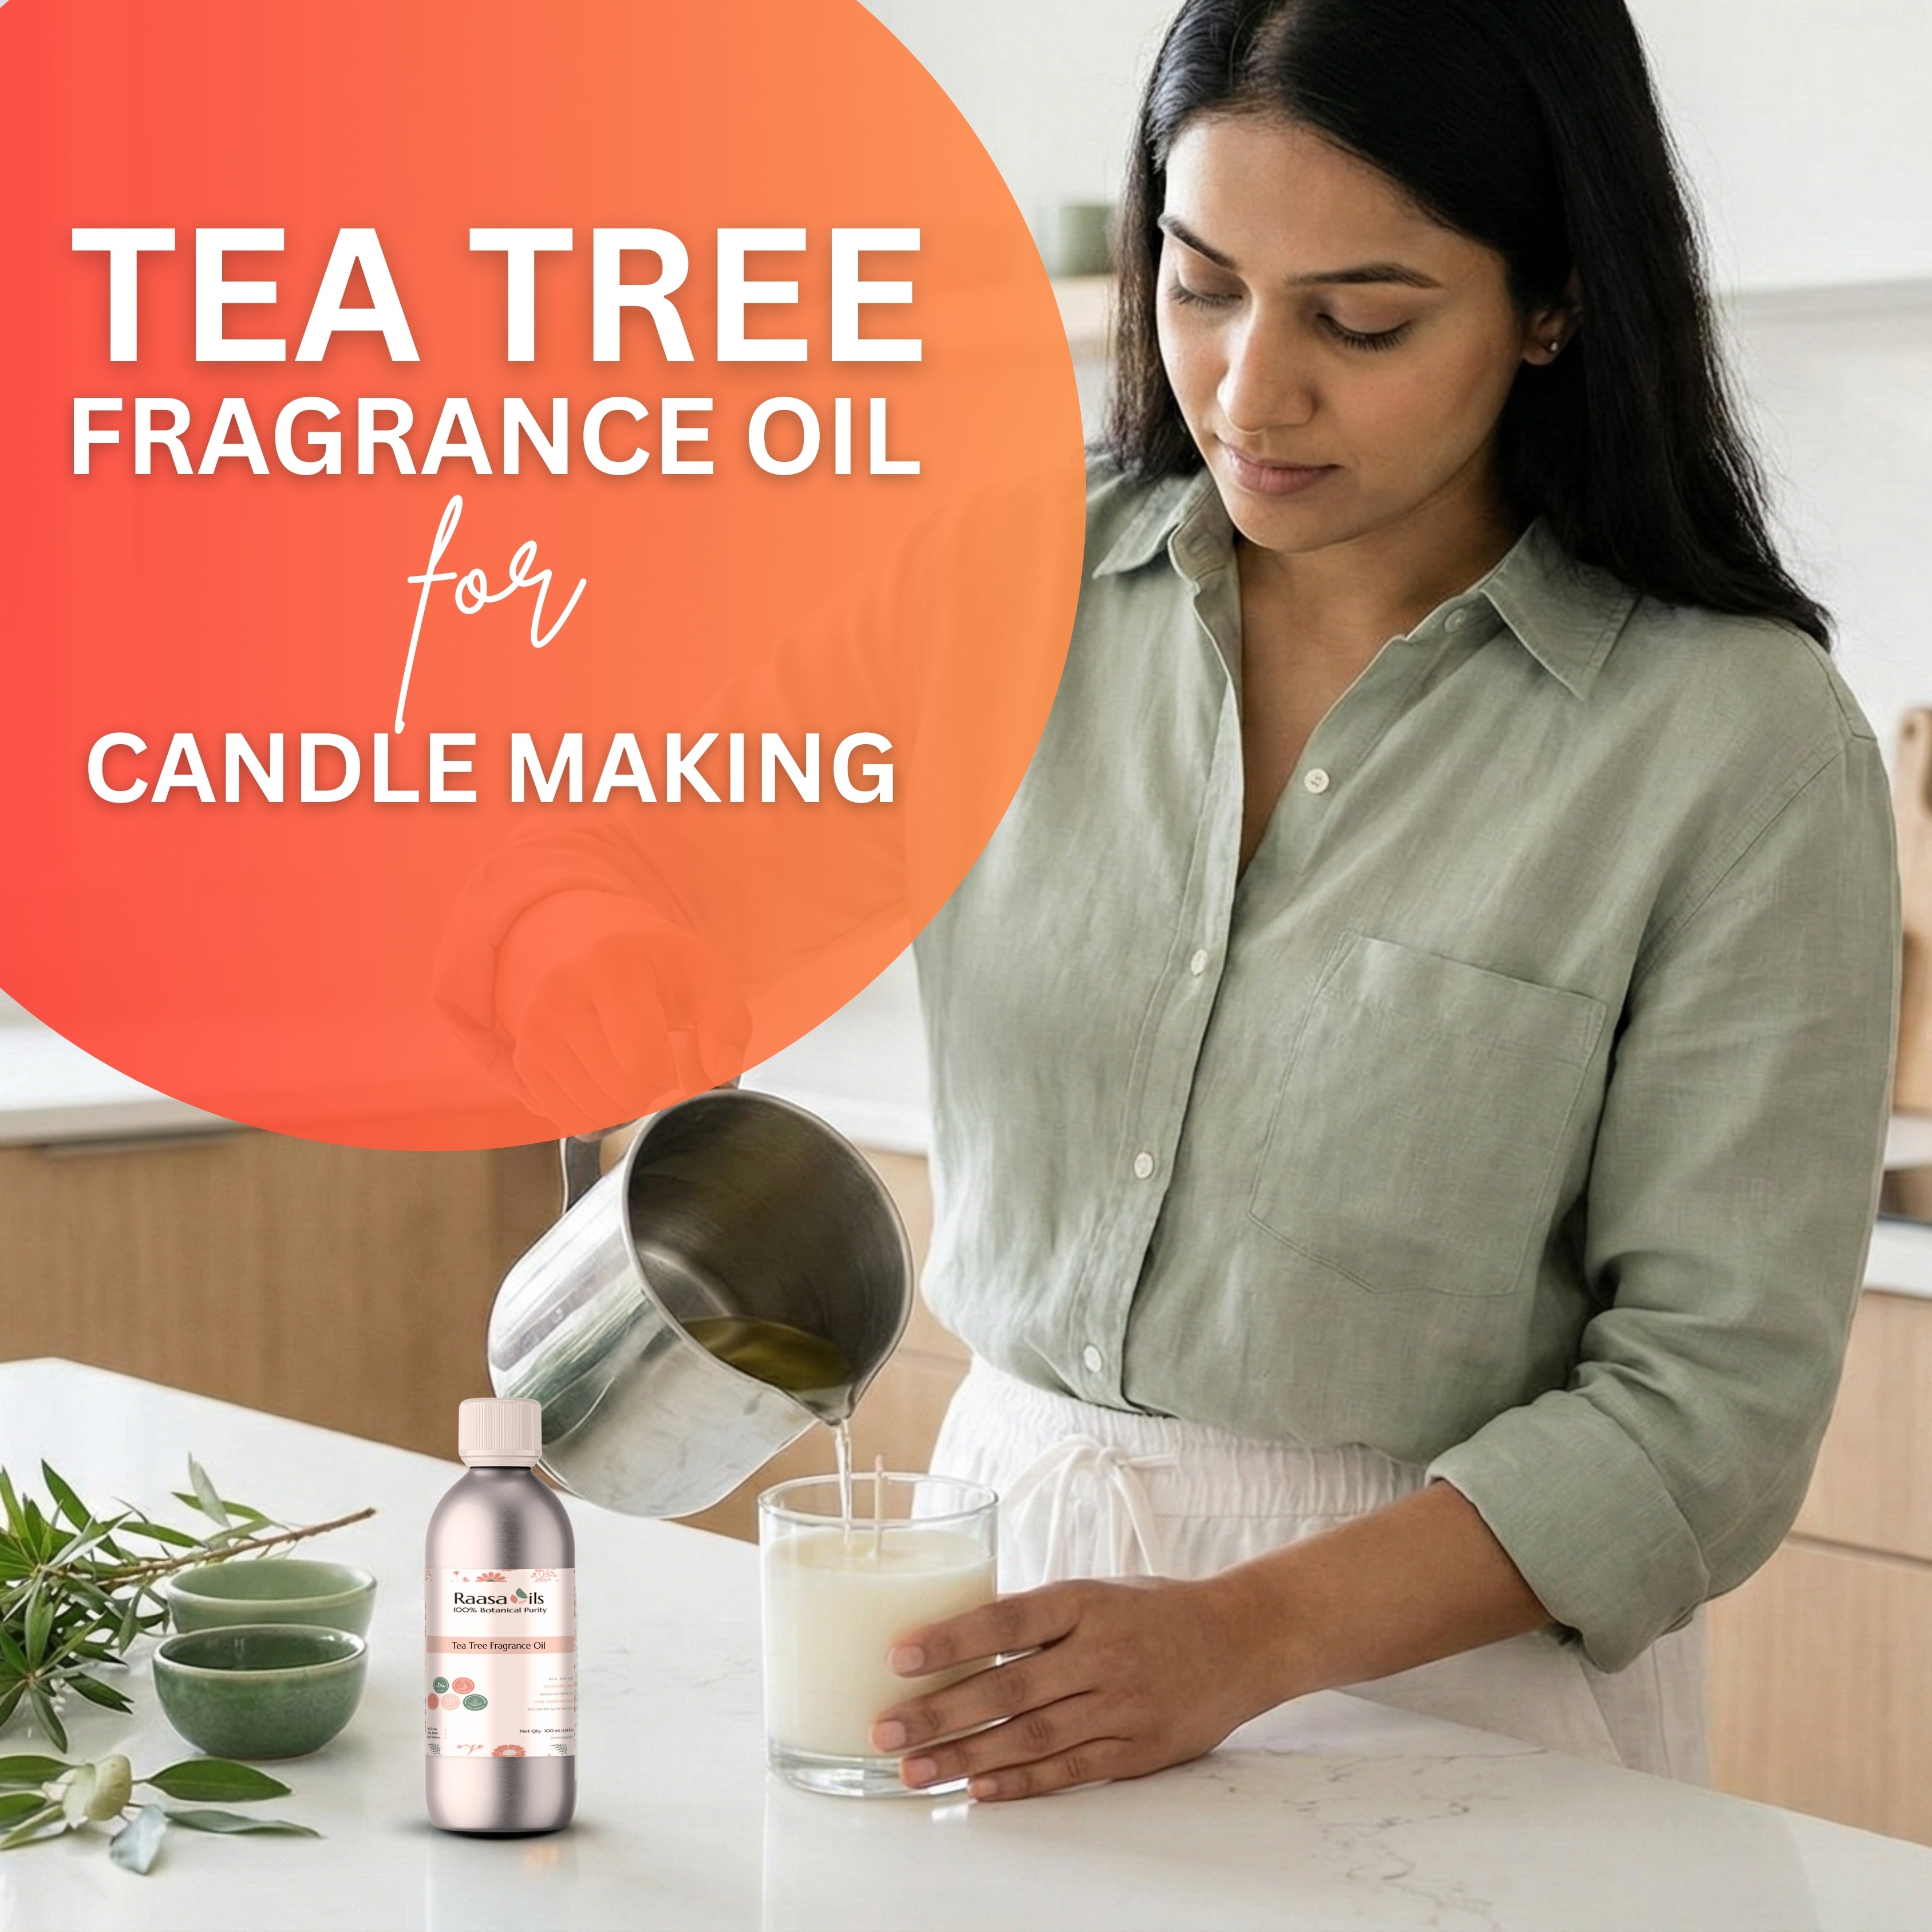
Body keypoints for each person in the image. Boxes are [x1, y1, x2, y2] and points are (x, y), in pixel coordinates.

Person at [439, 0, 1899, 1801]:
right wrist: (580, 943)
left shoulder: (1736, 748)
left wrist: (1249, 1635)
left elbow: (1710, 1426)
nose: (1249, 391)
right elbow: (594, 846)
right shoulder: (1003, 594)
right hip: (1009, 1597)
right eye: (1200, 287)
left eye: (1361, 320)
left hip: (1450, 1685)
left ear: (1555, 301)